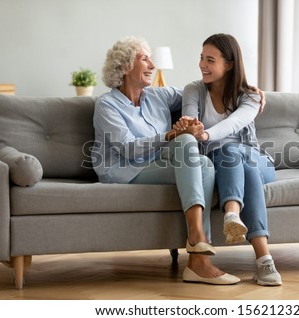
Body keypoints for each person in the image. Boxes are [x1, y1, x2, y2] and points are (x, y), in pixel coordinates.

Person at [92, 36, 240, 285]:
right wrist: (172, 133)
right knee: (183, 142)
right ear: (126, 66)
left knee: (202, 161)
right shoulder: (107, 105)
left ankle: (197, 252)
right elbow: (128, 149)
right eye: (145, 59)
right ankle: (198, 247)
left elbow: (199, 91)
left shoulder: (158, 96)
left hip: (159, 162)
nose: (152, 65)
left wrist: (245, 90)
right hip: (125, 170)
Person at [178, 33, 282, 286]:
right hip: (225, 164)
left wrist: (204, 134)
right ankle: (264, 260)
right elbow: (190, 119)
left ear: (230, 64)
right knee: (242, 167)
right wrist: (192, 127)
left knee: (235, 152)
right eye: (201, 58)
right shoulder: (193, 90)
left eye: (210, 60)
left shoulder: (251, 96)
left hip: (257, 159)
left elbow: (234, 124)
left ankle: (232, 212)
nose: (202, 64)